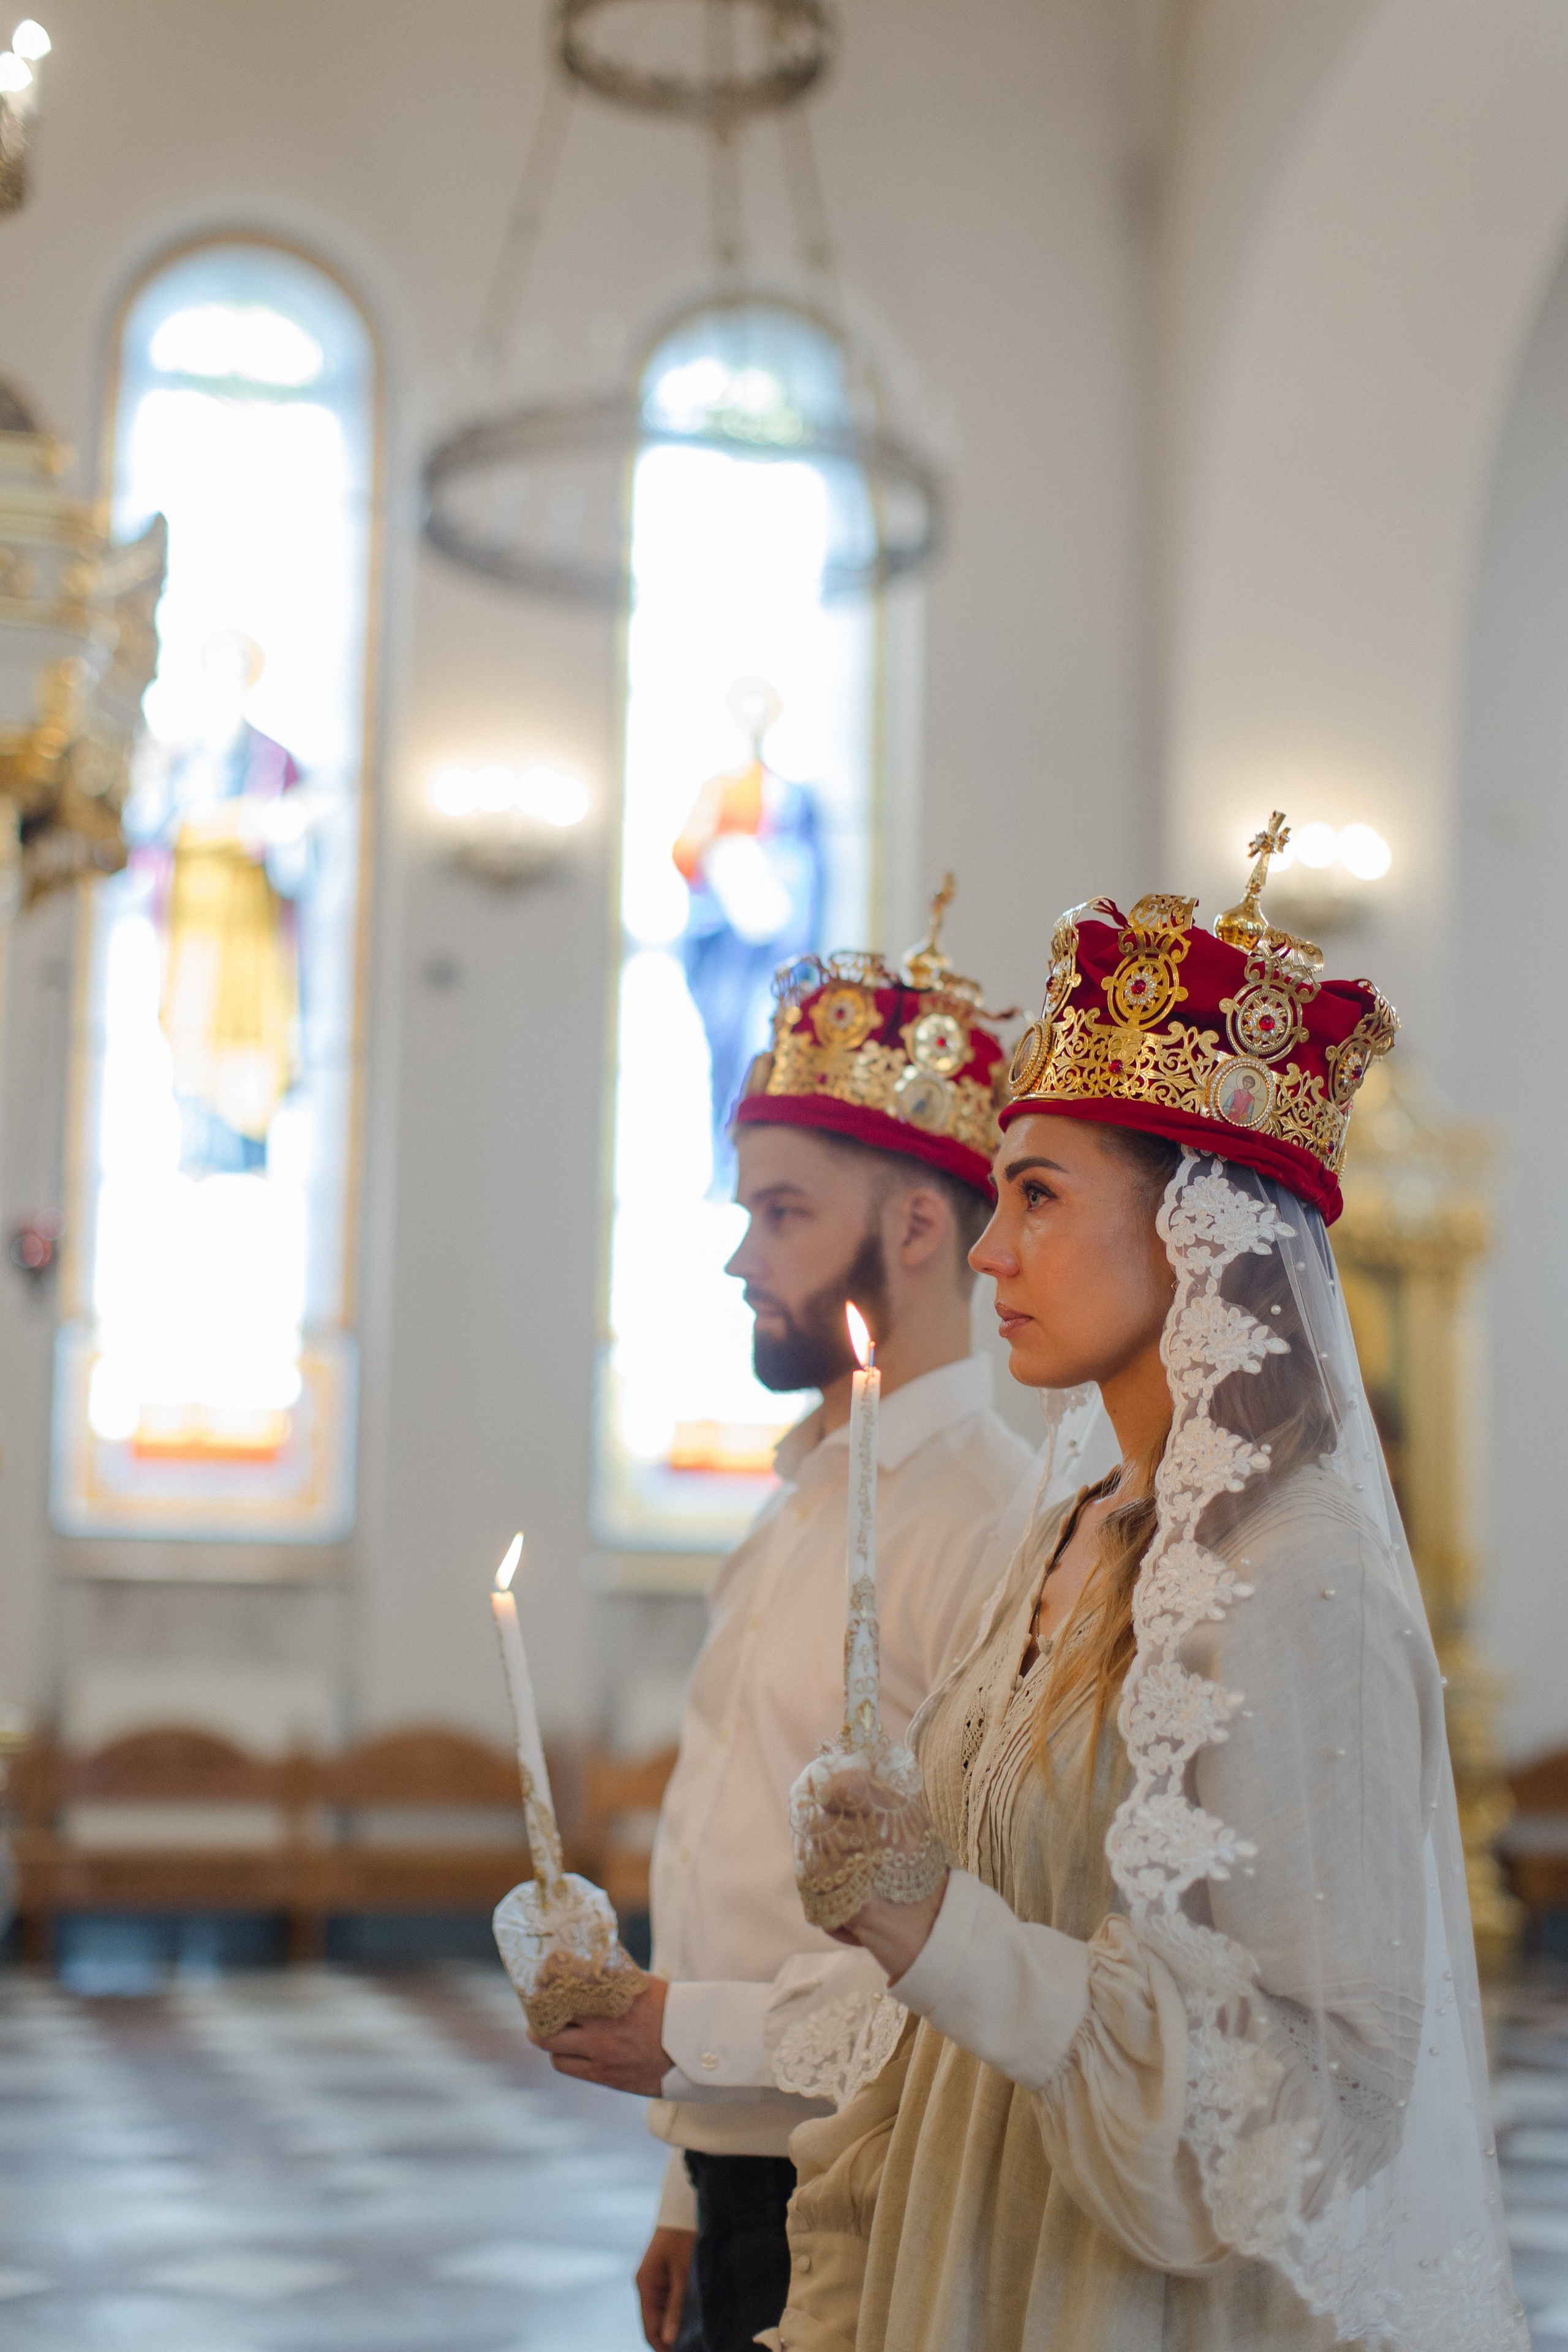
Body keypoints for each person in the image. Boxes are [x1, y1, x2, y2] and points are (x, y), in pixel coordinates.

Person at [775, 829, 1528, 2351]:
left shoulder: (1298, 1576)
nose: (989, 1254)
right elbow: (947, 2009)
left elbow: (1309, 2099)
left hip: (1134, 2303)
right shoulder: (1072, 1528)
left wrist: (940, 1934)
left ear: (1199, 1233)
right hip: (966, 2254)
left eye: (1038, 1196)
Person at [533, 890, 1048, 2352]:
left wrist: (680, 2034)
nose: (739, 1256)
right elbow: (737, 1847)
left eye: (780, 1212)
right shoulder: (793, 1504)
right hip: (735, 2160)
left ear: (919, 1225)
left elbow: (974, 1945)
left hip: (874, 2176)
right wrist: (690, 2190)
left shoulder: (988, 1525)